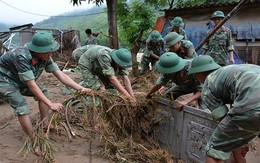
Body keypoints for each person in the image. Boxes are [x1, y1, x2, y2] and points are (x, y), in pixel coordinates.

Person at [0, 32, 92, 145]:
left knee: (44, 92)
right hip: (5, 80)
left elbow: (60, 74)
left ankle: (45, 123)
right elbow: (31, 84)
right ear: (37, 49)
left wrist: (81, 88)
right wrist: (50, 104)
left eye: (50, 50)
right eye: (47, 51)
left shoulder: (45, 55)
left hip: (20, 79)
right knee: (22, 106)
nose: (50, 54)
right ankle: (34, 140)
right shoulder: (21, 55)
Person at [188, 55, 256, 163]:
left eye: (195, 75)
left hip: (252, 103)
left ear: (200, 73)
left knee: (215, 151)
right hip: (252, 98)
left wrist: (240, 139)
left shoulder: (209, 82)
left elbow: (223, 119)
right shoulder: (230, 71)